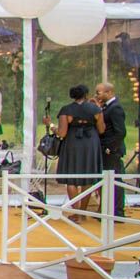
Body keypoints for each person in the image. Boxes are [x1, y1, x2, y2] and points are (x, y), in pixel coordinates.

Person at [55, 84, 105, 222]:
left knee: (71, 178)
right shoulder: (96, 109)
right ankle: (82, 212)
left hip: (73, 143)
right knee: (87, 176)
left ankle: (76, 212)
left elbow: (62, 133)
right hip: (90, 143)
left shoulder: (67, 110)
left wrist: (52, 127)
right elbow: (101, 129)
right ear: (86, 94)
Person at [95, 82, 127, 218]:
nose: (96, 95)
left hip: (112, 151)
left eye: (99, 92)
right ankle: (107, 210)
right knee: (106, 181)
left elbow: (120, 132)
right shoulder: (106, 107)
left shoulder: (115, 108)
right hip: (106, 149)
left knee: (115, 181)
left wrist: (110, 147)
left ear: (109, 92)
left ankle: (117, 212)